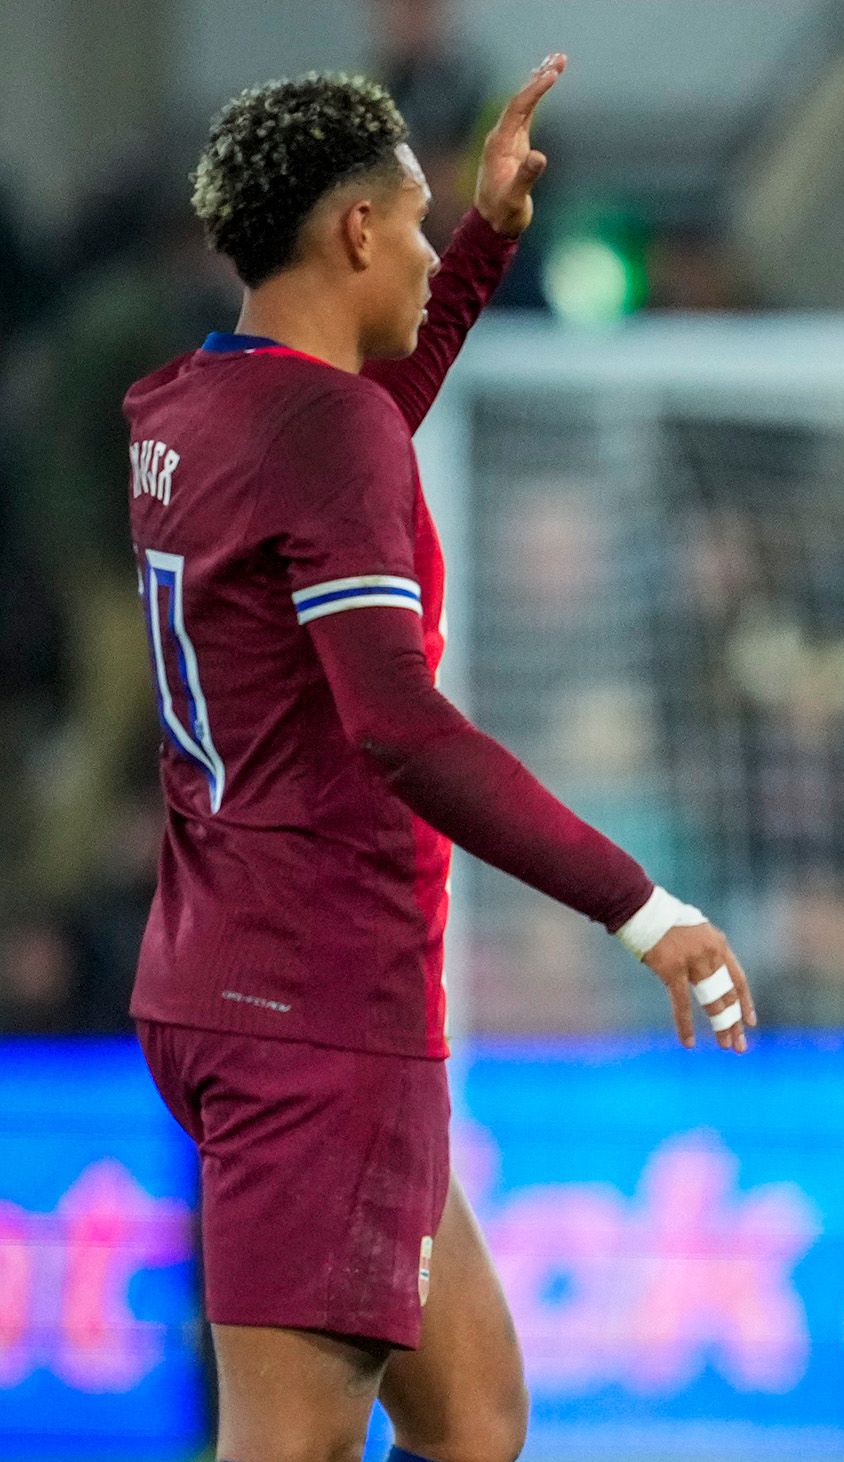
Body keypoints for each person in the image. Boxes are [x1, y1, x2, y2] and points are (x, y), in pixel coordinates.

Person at [124, 60, 755, 1462]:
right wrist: (641, 909)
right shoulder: (326, 432)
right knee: (286, 1447)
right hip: (317, 1004)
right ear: (352, 234)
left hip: (224, 967)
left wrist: (484, 239)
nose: (423, 250)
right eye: (411, 226)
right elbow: (398, 727)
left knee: (473, 1424)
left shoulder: (187, 408)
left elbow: (350, 429)